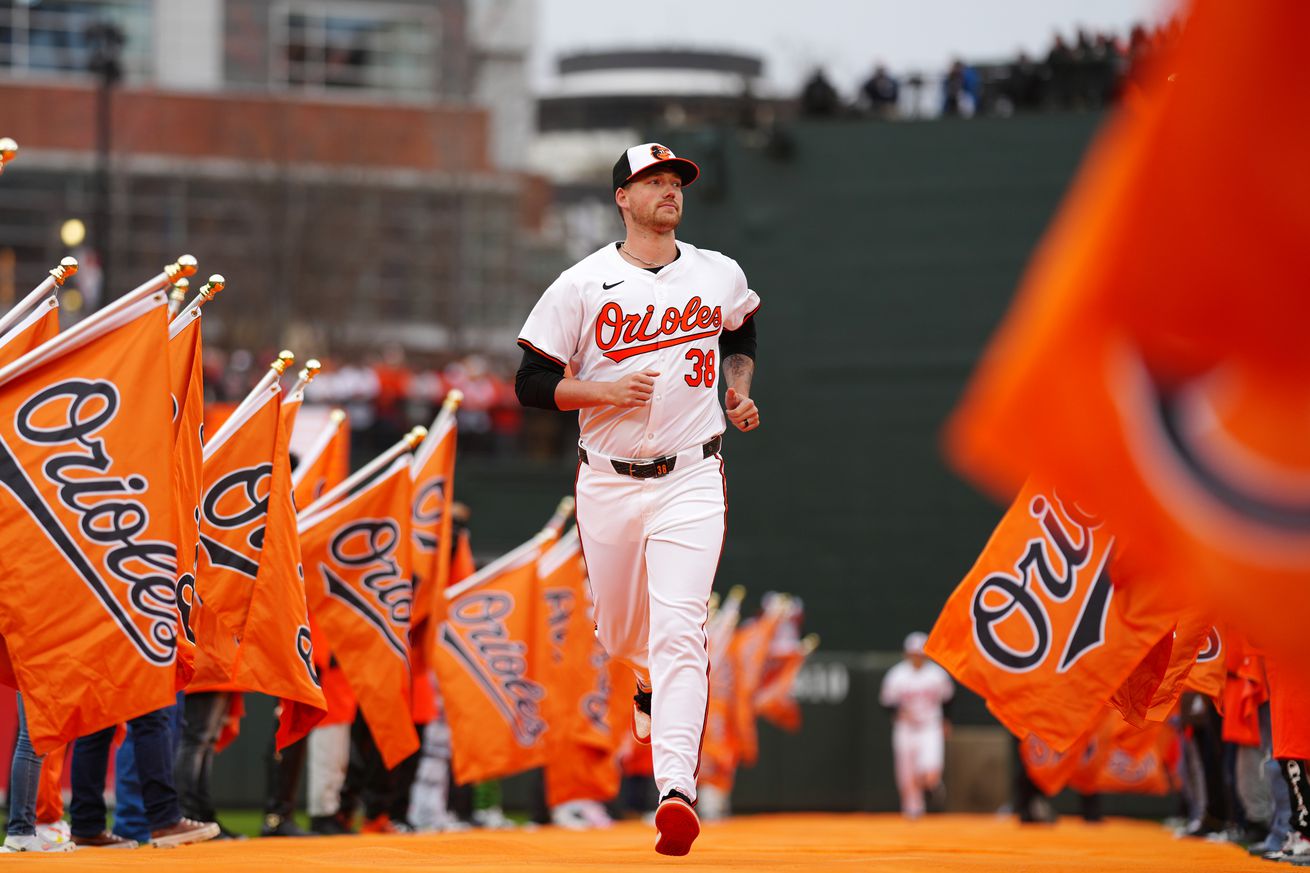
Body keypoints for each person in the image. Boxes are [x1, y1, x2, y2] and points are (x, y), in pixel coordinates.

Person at [514, 142, 761, 856]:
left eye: (675, 180)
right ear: (622, 197)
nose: (669, 190)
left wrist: (737, 387)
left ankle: (675, 790)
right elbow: (531, 383)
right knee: (621, 636)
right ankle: (644, 678)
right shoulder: (582, 284)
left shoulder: (717, 272)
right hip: (608, 479)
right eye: (653, 181)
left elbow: (741, 327)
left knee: (682, 627)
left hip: (692, 474)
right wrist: (602, 390)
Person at [879, 632, 954, 819]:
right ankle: (913, 811)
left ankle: (932, 785)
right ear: (906, 654)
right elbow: (886, 702)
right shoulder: (896, 675)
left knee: (930, 768)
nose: (917, 657)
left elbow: (948, 699)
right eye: (913, 653)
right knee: (906, 772)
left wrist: (946, 721)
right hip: (906, 727)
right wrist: (897, 711)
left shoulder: (937, 674)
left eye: (920, 654)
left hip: (930, 725)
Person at [3, 693, 75, 853]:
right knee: (32, 739)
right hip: (40, 677)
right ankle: (22, 831)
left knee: (30, 738)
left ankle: (21, 830)